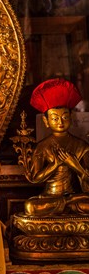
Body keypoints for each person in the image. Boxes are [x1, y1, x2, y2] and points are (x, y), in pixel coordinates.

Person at [24, 78, 89, 215]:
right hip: (50, 197)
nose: (60, 122)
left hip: (74, 196)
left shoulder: (80, 145)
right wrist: (54, 165)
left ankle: (67, 204)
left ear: (71, 117)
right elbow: (35, 178)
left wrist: (75, 166)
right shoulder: (42, 147)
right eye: (54, 118)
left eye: (65, 117)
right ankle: (66, 205)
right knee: (30, 207)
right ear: (46, 121)